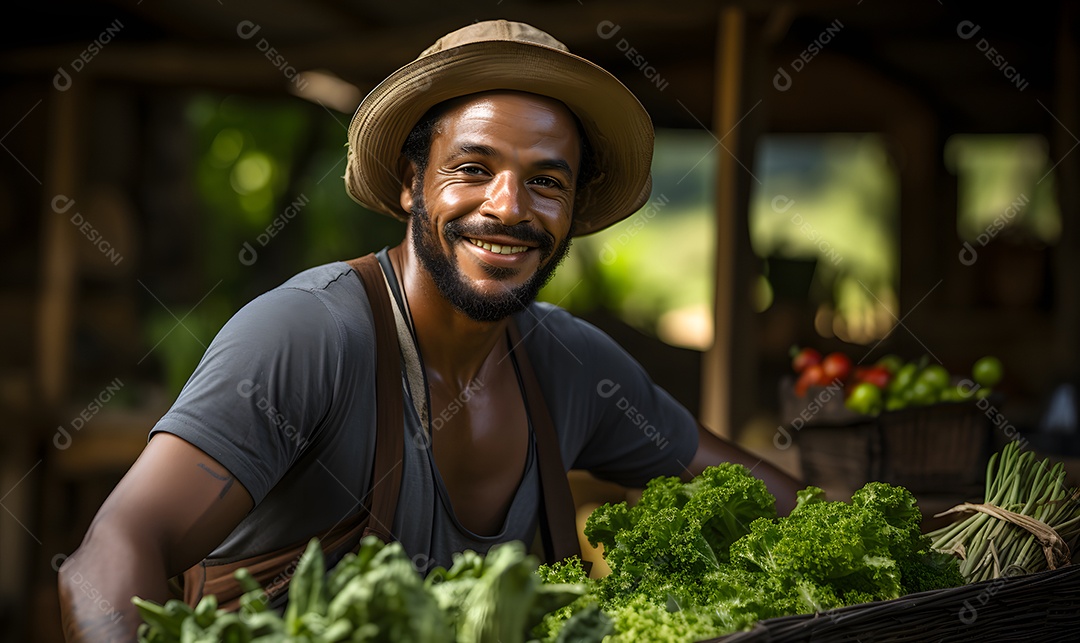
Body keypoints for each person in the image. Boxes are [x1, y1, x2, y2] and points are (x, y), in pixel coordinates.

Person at [58, 19, 802, 641]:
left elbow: (761, 495)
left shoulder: (572, 367)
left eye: (546, 181)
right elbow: (113, 551)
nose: (508, 207)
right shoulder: (311, 333)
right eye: (473, 168)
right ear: (412, 183)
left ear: (573, 208)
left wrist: (897, 533)